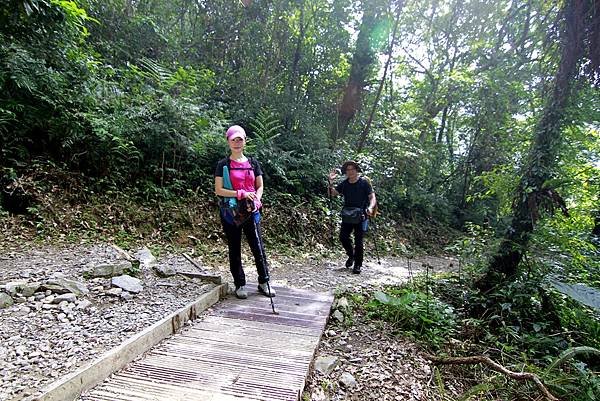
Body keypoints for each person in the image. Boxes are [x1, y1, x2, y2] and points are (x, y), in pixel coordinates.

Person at [214, 125, 275, 299]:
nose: (236, 143)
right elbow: (219, 190)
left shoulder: (253, 163)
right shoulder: (223, 165)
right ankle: (240, 284)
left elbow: (260, 185)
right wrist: (240, 193)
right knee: (234, 248)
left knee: (258, 247)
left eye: (239, 139)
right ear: (228, 142)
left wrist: (257, 198)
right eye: (233, 139)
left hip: (251, 210)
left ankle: (264, 281)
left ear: (245, 141)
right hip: (231, 212)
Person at [328, 160, 377, 274]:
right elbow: (332, 194)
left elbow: (372, 197)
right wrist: (330, 182)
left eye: (352, 169)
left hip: (361, 215)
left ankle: (358, 265)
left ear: (356, 170)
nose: (350, 172)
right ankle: (352, 255)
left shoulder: (364, 183)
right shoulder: (344, 184)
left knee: (358, 241)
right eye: (347, 170)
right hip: (348, 215)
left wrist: (370, 208)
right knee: (343, 237)